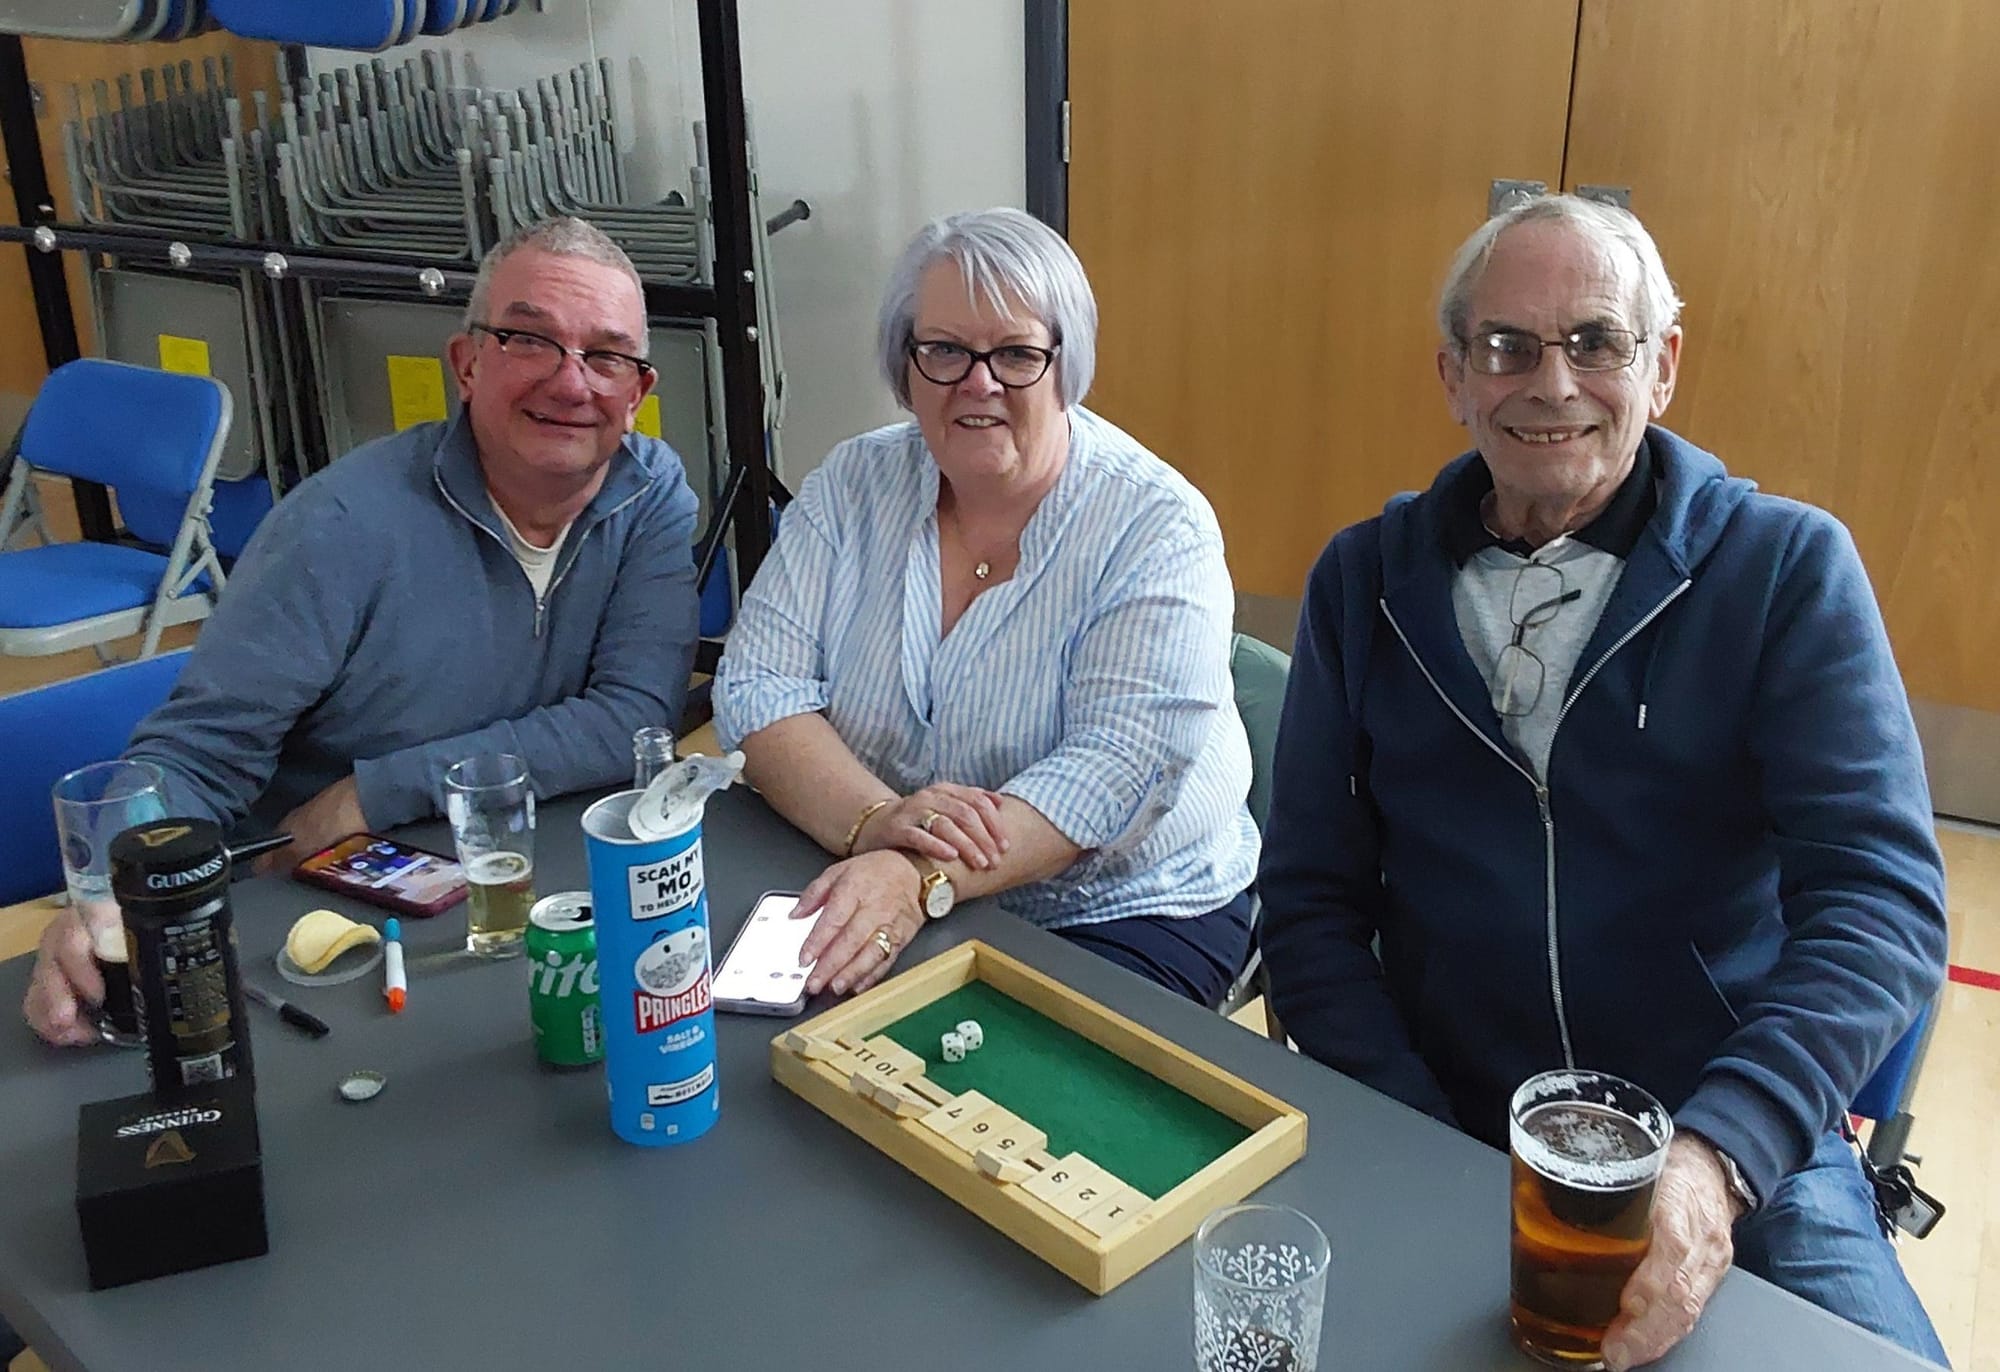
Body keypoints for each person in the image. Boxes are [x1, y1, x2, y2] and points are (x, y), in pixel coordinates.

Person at [1258, 193, 1949, 1369]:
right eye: (1505, 346)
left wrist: (1721, 1153)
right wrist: (1407, 1132)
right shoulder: (1360, 583)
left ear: (1660, 366)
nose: (1551, 383)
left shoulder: (1783, 570)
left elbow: (1879, 904)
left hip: (1732, 1131)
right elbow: (1310, 902)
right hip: (1443, 1111)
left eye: (1594, 341)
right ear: (1452, 376)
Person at [24, 216, 701, 1047]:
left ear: (637, 392)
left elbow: (633, 718)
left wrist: (371, 793)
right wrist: (109, 896)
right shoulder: (339, 525)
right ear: (467, 363)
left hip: (524, 892)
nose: (571, 382)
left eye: (606, 356)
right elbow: (197, 757)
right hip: (311, 929)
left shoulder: (650, 496)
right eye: (530, 340)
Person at [714, 207, 1258, 1007]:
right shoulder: (851, 484)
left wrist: (920, 872)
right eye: (944, 350)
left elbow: (1113, 771)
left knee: (963, 1081)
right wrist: (875, 822)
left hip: (1114, 908)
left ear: (1066, 365)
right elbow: (760, 686)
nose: (979, 382)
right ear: (905, 363)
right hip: (861, 856)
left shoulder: (1157, 527)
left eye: (1016, 353)